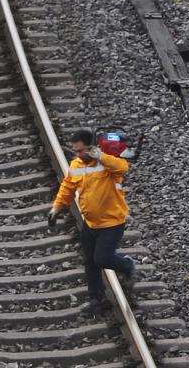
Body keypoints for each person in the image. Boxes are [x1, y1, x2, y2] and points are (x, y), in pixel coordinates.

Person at [50, 129, 135, 315]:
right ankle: (96, 299)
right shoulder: (76, 165)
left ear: (92, 147)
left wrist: (102, 156)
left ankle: (127, 265)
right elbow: (67, 187)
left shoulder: (108, 163)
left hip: (112, 223)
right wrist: (57, 207)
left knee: (102, 258)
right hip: (90, 223)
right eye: (75, 151)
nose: (78, 154)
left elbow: (122, 168)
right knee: (90, 263)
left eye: (81, 150)